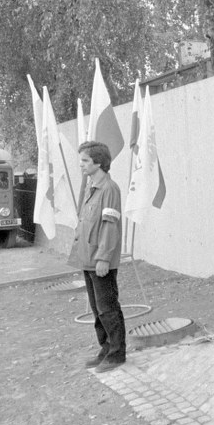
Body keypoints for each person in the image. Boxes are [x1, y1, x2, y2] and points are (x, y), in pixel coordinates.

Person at [68, 141, 125, 373]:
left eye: (85, 161)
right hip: (88, 258)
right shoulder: (92, 187)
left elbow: (110, 226)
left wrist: (103, 258)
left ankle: (117, 353)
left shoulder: (109, 189)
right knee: (96, 308)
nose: (80, 165)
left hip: (101, 260)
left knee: (107, 307)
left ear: (98, 162)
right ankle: (106, 348)